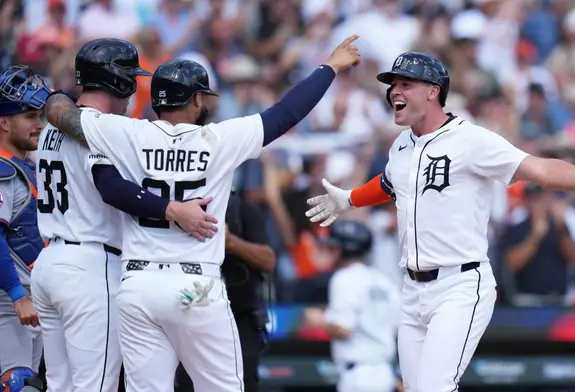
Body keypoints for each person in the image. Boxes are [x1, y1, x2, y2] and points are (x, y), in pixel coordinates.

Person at [42, 35, 361, 391]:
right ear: (196, 100)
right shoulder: (220, 139)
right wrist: (329, 67)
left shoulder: (124, 133)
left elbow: (62, 114)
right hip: (195, 286)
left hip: (137, 285)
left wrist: (55, 95)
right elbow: (287, 113)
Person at [305, 51, 575, 392]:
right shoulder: (402, 145)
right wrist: (349, 199)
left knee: (435, 387)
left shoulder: (470, 139)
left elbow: (536, 168)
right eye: (393, 85)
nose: (394, 92)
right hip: (412, 289)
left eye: (405, 84)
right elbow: (389, 183)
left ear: (433, 91)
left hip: (459, 284)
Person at [30, 38, 217, 392]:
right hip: (90, 265)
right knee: (94, 387)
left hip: (51, 263)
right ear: (118, 80)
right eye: (130, 77)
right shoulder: (101, 128)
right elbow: (111, 188)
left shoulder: (55, 125)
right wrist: (172, 209)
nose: (134, 86)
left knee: (60, 386)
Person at [175, 191, 276, 392]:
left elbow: (269, 260)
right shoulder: (182, 207)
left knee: (243, 379)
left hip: (240, 315)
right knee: (188, 382)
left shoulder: (242, 209)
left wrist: (231, 242)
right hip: (192, 312)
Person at [0, 65, 47, 391]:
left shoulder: (24, 166)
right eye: (29, 116)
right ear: (4, 122)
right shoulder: (2, 170)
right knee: (18, 384)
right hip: (8, 301)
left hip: (31, 301)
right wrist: (17, 295)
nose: (39, 124)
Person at [322, 220, 400, 392]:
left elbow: (343, 329)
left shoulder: (343, 278)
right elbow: (396, 329)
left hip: (358, 376)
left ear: (343, 249)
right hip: (385, 373)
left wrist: (318, 321)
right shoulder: (384, 280)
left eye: (332, 247)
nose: (329, 250)